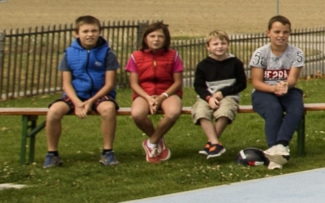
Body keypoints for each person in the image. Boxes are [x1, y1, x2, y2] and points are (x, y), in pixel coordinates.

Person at [44, 15, 120, 167]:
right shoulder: (68, 54)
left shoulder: (107, 53)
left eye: (94, 31)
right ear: (76, 33)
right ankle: (52, 154)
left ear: (100, 32)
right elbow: (66, 84)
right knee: (53, 112)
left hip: (100, 94)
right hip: (75, 96)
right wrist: (77, 103)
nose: (90, 34)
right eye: (85, 31)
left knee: (109, 109)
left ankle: (107, 153)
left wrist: (91, 101)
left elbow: (109, 83)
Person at [248, 16, 306, 171]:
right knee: (274, 110)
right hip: (264, 91)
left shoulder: (297, 53)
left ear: (290, 33)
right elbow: (257, 82)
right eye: (277, 32)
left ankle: (280, 145)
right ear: (268, 33)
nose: (281, 35)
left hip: (287, 89)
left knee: (296, 108)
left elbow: (292, 79)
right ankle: (274, 152)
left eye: (285, 32)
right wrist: (274, 89)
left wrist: (285, 85)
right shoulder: (260, 53)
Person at [126, 20, 186, 163]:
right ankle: (159, 140)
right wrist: (148, 98)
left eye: (160, 36)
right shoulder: (135, 56)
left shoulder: (173, 55)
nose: (156, 39)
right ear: (145, 38)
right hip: (144, 92)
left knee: (173, 112)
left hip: (168, 92)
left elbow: (177, 82)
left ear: (166, 39)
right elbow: (134, 83)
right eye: (152, 36)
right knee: (137, 114)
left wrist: (162, 97)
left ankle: (152, 142)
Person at [191, 30, 245, 161]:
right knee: (201, 111)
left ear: (228, 44)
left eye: (223, 43)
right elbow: (198, 85)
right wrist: (209, 98)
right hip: (208, 96)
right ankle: (215, 143)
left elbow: (242, 83)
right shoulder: (203, 65)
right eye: (215, 44)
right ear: (208, 47)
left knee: (225, 111)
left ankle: (212, 144)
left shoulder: (235, 62)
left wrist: (223, 93)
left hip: (229, 95)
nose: (220, 46)